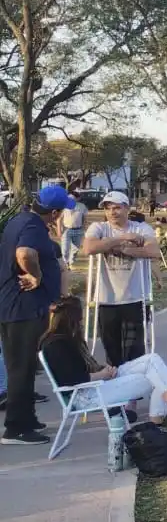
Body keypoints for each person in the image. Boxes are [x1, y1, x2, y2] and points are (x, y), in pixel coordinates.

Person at [40, 295, 167, 428]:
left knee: (153, 360)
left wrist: (105, 370)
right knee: (157, 378)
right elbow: (74, 380)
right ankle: (161, 420)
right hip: (85, 395)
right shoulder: (57, 345)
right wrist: (102, 374)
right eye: (80, 317)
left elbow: (83, 368)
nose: (83, 321)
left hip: (97, 383)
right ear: (72, 318)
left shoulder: (68, 338)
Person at [0, 185, 70, 444]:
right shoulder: (33, 227)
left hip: (21, 307)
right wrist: (37, 276)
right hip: (22, 308)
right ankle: (16, 428)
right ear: (54, 213)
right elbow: (24, 253)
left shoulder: (22, 219)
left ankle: (27, 417)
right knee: (21, 367)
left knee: (26, 367)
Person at [82, 191, 162, 365]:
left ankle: (135, 388)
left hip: (135, 299)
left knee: (135, 352)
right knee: (112, 352)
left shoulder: (141, 228)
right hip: (107, 300)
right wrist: (123, 238)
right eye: (108, 208)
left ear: (127, 208)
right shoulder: (99, 228)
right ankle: (117, 387)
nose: (112, 212)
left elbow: (153, 251)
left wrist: (125, 250)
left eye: (117, 207)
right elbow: (89, 248)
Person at [60, 191, 87, 266]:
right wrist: (59, 231)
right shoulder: (64, 206)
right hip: (66, 230)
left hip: (78, 230)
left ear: (78, 198)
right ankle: (65, 263)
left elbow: (84, 219)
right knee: (65, 250)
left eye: (73, 198)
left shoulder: (82, 206)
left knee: (75, 250)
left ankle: (71, 264)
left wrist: (84, 230)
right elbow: (59, 219)